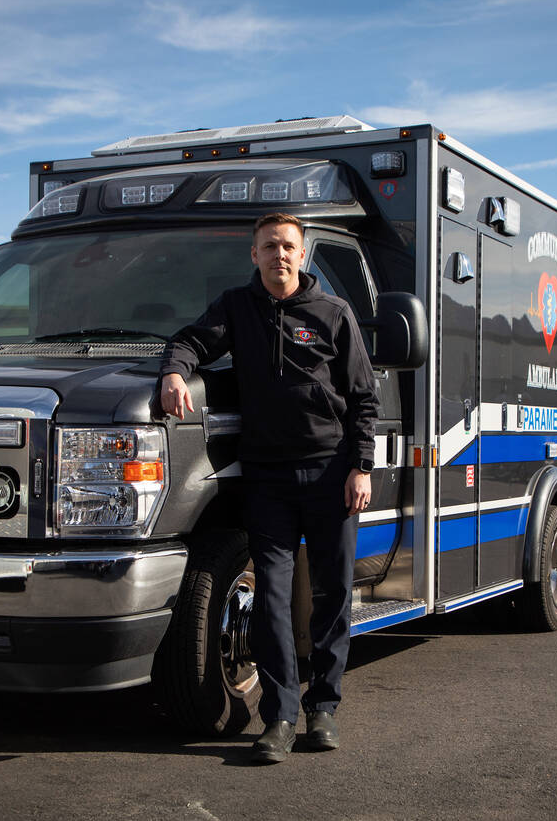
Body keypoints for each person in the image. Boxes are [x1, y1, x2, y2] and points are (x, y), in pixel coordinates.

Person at [159, 212, 379, 763]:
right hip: (269, 481)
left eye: (288, 246)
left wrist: (361, 467)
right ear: (252, 255)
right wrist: (172, 373)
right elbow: (189, 340)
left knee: (331, 598)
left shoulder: (333, 313)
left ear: (302, 256)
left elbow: (364, 398)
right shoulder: (238, 306)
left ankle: (323, 708)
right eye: (268, 246)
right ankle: (279, 717)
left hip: (331, 475)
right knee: (272, 602)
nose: (279, 255)